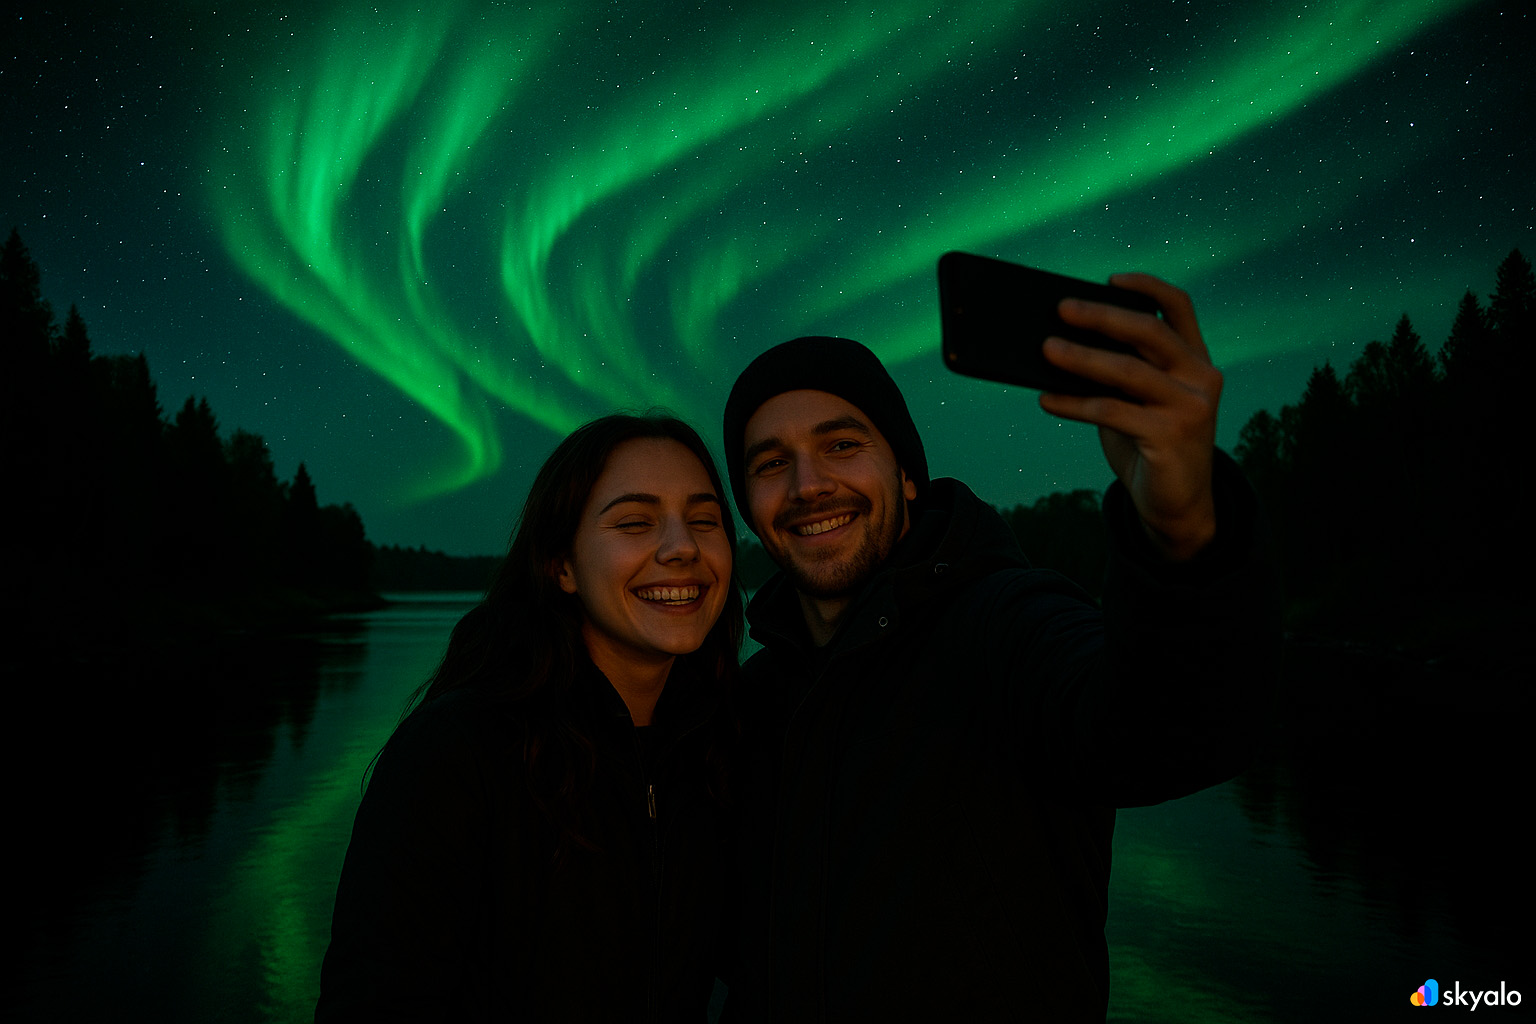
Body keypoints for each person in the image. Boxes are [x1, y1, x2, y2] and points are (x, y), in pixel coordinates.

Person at [718, 274, 1283, 1021]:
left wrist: (1181, 532)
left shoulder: (1008, 623)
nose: (809, 484)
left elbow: (1170, 731)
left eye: (843, 445)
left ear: (908, 477)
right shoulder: (757, 700)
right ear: (752, 510)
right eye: (769, 463)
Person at [316, 414, 743, 1022]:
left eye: (705, 520)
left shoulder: (720, 750)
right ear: (560, 565)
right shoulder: (457, 754)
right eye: (634, 522)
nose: (683, 548)